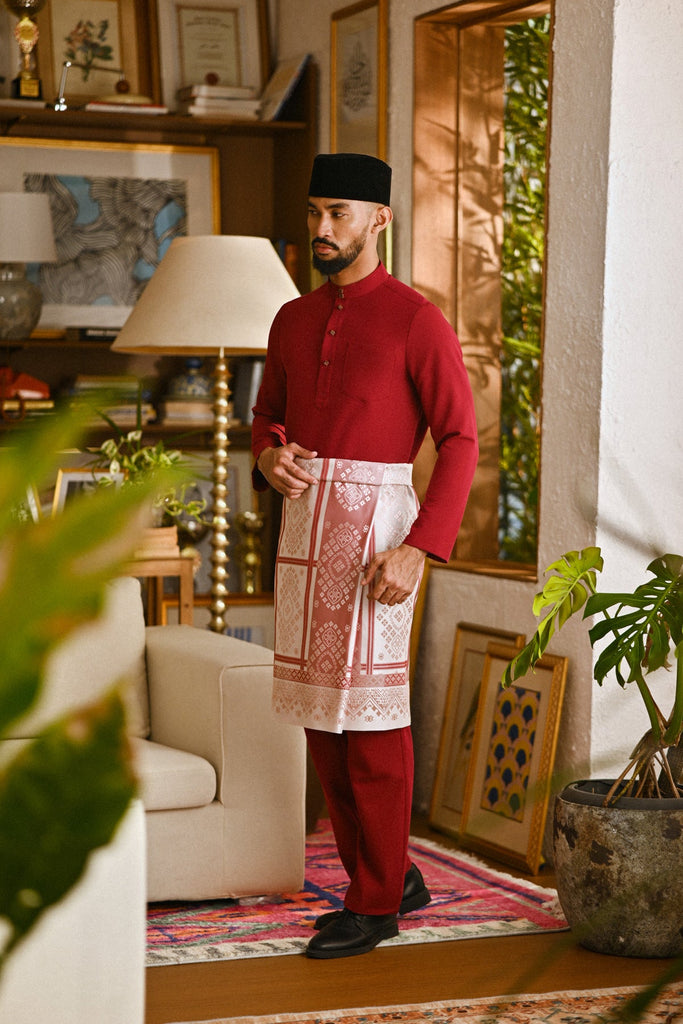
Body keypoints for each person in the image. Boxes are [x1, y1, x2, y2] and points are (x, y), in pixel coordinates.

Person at [251, 152, 478, 960]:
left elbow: (460, 439)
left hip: (381, 537)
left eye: (338, 213)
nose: (321, 228)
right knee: (321, 721)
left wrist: (420, 550)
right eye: (315, 211)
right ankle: (383, 877)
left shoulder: (418, 320)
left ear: (379, 218)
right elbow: (267, 417)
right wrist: (268, 454)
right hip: (304, 534)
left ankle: (376, 905)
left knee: (372, 725)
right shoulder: (290, 319)